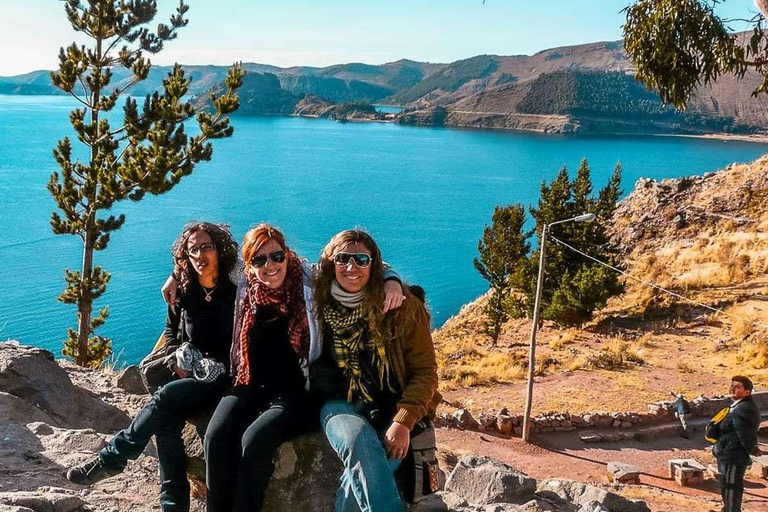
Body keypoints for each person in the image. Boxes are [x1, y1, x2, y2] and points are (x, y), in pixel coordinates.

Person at [194, 224, 405, 512]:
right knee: (215, 437)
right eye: (259, 259)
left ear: (286, 254)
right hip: (248, 383)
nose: (270, 265)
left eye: (277, 256)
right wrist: (172, 277)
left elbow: (352, 259)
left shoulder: (308, 278)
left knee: (254, 441)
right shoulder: (241, 283)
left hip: (295, 391)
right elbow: (202, 266)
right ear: (248, 265)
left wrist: (391, 279)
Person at [66, 222, 239, 512]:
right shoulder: (183, 290)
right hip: (190, 373)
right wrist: (178, 356)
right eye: (192, 250)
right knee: (166, 424)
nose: (199, 255)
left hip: (224, 377)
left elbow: (266, 258)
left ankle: (113, 457)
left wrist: (172, 274)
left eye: (206, 247)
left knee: (166, 398)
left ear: (219, 249)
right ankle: (172, 505)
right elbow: (171, 334)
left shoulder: (237, 288)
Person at [311, 229, 441, 512]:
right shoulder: (319, 300)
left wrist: (403, 421)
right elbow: (272, 268)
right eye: (343, 259)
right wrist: (390, 275)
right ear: (331, 263)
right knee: (359, 441)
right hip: (339, 402)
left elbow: (426, 371)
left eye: (361, 259)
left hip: (388, 406)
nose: (351, 267)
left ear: (374, 265)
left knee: (370, 465)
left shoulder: (401, 306)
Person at [708, 375, 761, 512]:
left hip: (734, 456)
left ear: (746, 392)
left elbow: (745, 434)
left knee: (732, 486)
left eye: (737, 387)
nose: (732, 388)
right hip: (727, 454)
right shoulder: (739, 406)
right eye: (732, 385)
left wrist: (751, 449)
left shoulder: (743, 408)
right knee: (726, 485)